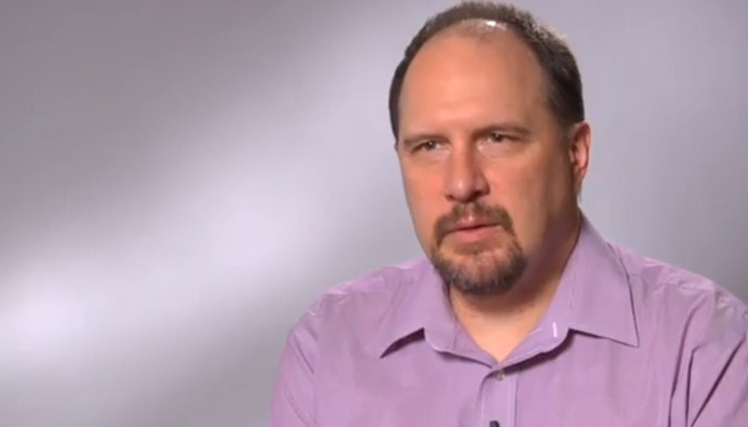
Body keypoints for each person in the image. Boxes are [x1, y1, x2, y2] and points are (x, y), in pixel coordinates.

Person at [270, 2, 748, 426]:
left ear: (576, 154)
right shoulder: (328, 348)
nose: (462, 184)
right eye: (430, 146)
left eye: (497, 138)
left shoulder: (705, 347)